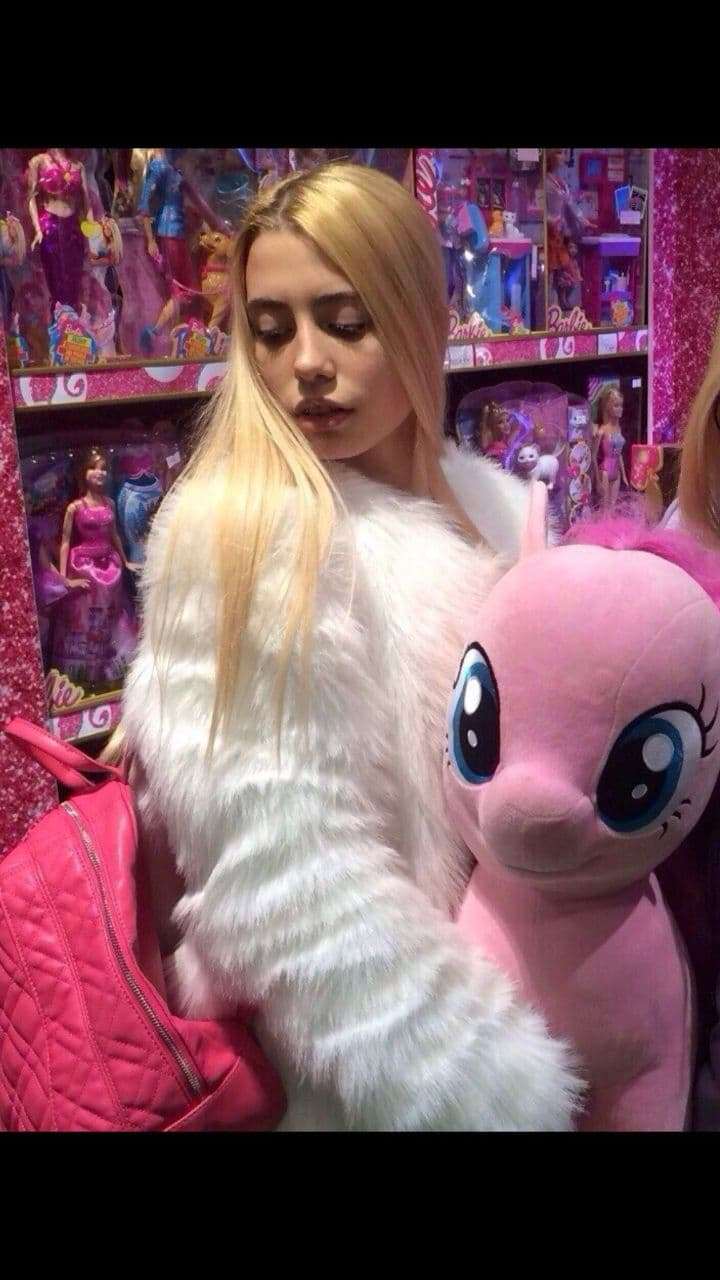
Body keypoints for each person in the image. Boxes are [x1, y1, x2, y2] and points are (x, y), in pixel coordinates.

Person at [119, 162, 582, 1130]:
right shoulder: (241, 531)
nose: (307, 364)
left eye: (345, 320)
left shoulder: (498, 509)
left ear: (418, 319)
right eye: (271, 329)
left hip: (535, 1002)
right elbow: (289, 890)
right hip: (368, 1084)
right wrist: (493, 1091)